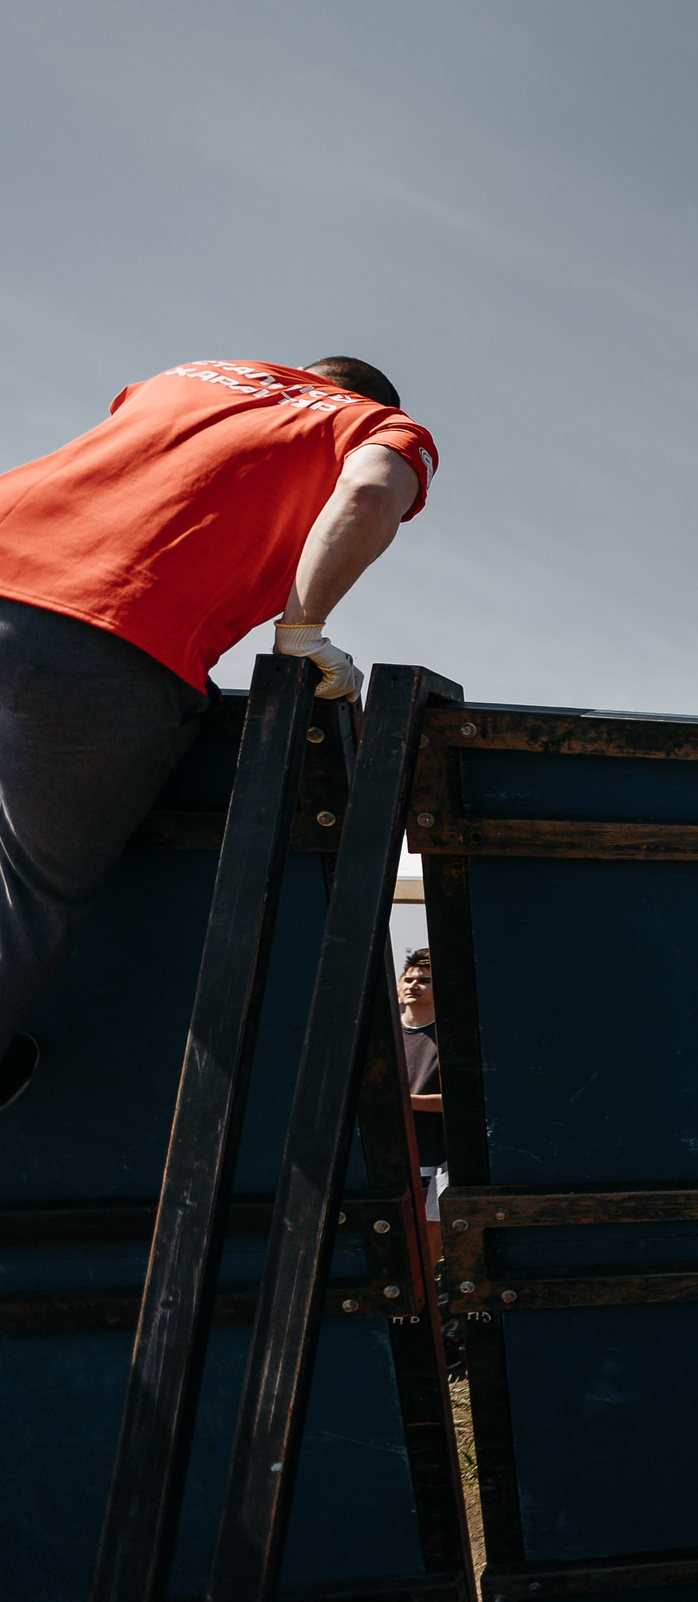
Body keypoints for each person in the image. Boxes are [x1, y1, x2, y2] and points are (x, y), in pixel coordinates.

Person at [0, 356, 438, 1112]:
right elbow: (370, 490)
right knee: (28, 894)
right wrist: (301, 632)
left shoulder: (187, 374)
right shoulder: (374, 424)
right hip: (105, 637)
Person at [397, 949, 447, 1233]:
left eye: (424, 981)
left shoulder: (449, 1037)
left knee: (428, 1243)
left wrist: (403, 1102)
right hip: (388, 1155)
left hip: (433, 1158)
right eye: (408, 979)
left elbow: (459, 1102)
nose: (413, 985)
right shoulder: (382, 1033)